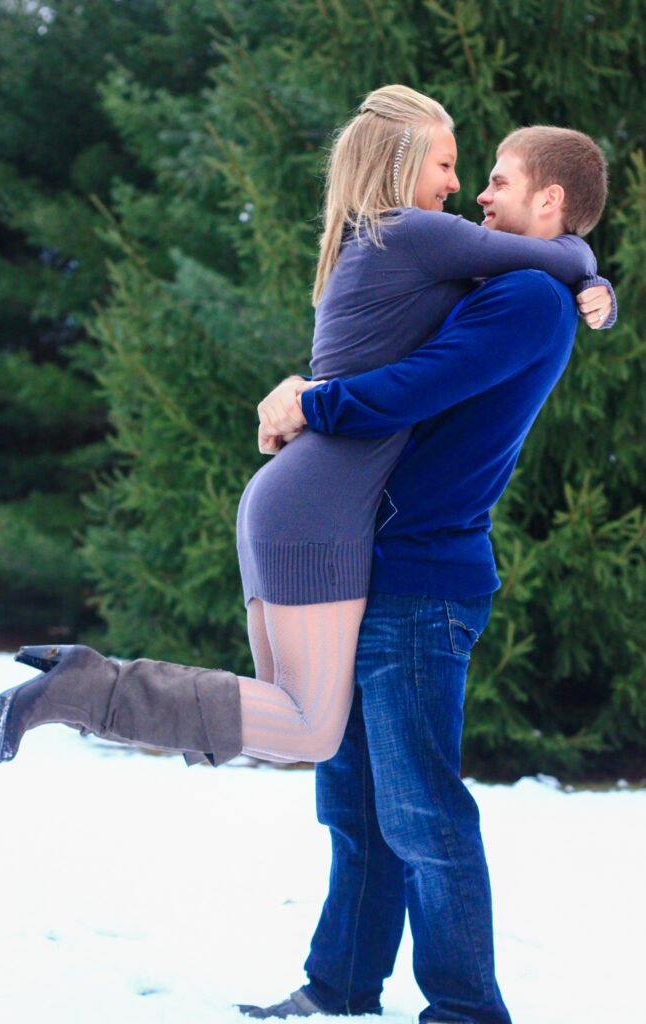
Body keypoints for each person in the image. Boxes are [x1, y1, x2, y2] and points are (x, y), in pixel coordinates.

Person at [0, 88, 612, 779]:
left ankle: (88, 690)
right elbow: (554, 260)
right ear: (403, 163)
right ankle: (86, 688)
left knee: (281, 722)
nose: (459, 186)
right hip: (320, 505)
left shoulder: (365, 237)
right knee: (308, 729)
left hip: (289, 498)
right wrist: (594, 285)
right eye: (446, 163)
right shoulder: (413, 232)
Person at [236, 126, 614, 1023]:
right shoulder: (514, 279)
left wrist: (309, 404)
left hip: (424, 577)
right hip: (379, 564)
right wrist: (590, 274)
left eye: (498, 180)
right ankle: (339, 987)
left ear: (549, 202)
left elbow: (415, 385)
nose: (480, 196)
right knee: (356, 808)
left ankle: (462, 1009)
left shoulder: (524, 297)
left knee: (421, 816)